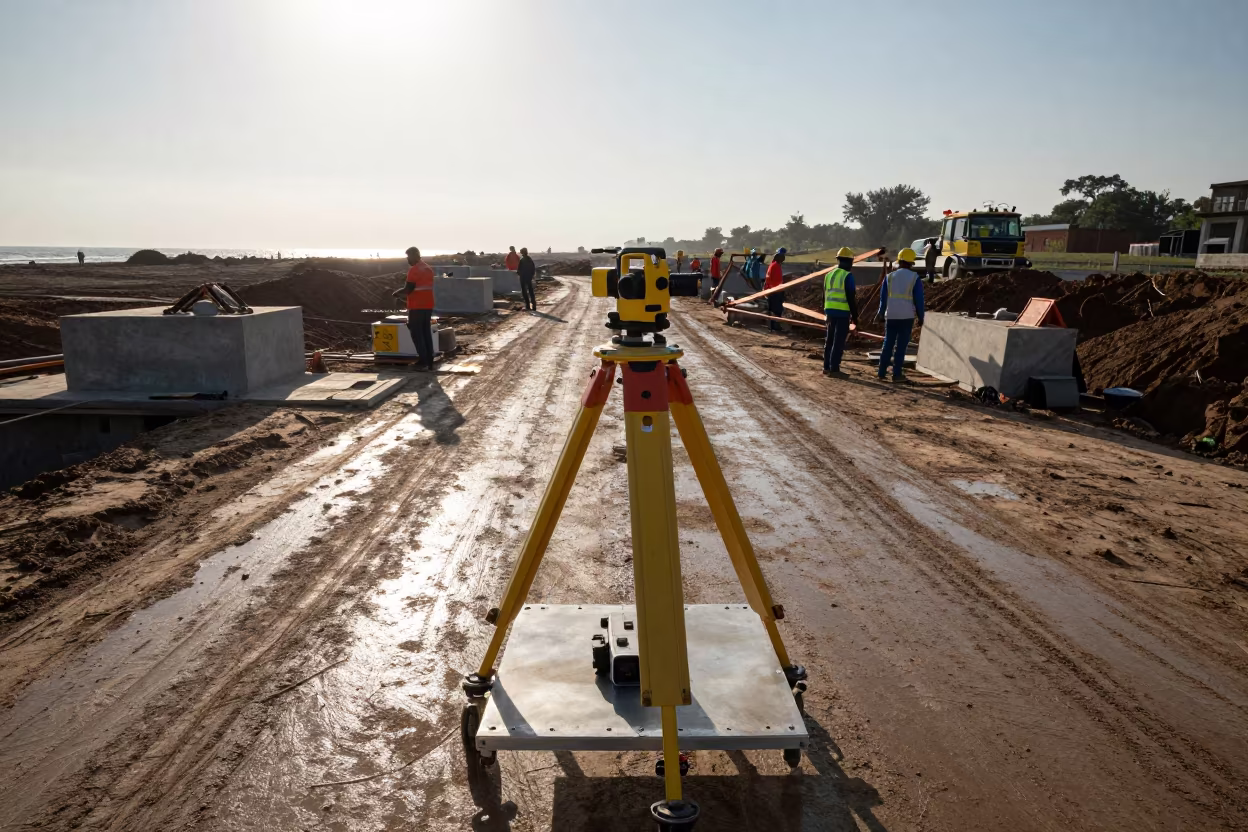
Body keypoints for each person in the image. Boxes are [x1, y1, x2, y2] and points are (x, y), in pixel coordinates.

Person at [877, 247, 925, 382]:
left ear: (900, 261)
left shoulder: (889, 277)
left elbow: (883, 299)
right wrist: (921, 317)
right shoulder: (914, 278)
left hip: (891, 315)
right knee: (901, 346)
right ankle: (896, 374)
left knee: (888, 344)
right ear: (911, 263)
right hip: (906, 316)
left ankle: (881, 372)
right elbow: (919, 300)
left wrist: (881, 313)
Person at [392, 246, 436, 371]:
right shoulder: (428, 268)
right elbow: (421, 288)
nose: (407, 260)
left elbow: (408, 289)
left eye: (408, 257)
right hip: (428, 305)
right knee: (426, 333)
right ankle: (429, 361)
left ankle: (423, 362)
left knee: (417, 333)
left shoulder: (414, 270)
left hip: (417, 307)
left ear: (415, 256)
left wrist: (395, 294)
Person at [823, 247, 860, 377]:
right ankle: (834, 369)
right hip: (842, 312)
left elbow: (824, 295)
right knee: (838, 342)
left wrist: (825, 311)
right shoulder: (847, 276)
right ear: (849, 261)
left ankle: (826, 367)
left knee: (829, 340)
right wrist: (855, 317)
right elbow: (850, 298)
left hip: (829, 311)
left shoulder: (828, 275)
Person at [763, 247, 789, 332]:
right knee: (776, 310)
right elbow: (773, 280)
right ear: (780, 256)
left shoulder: (774, 265)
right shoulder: (775, 266)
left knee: (774, 309)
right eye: (783, 256)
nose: (784, 258)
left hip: (774, 290)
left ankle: (773, 326)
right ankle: (774, 326)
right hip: (774, 291)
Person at [517, 246, 537, 311]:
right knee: (531, 291)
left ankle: (527, 305)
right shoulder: (530, 259)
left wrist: (520, 274)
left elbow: (518, 270)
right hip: (529, 277)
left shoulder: (522, 260)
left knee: (524, 292)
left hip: (523, 277)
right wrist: (531, 275)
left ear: (522, 253)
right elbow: (533, 269)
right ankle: (534, 305)